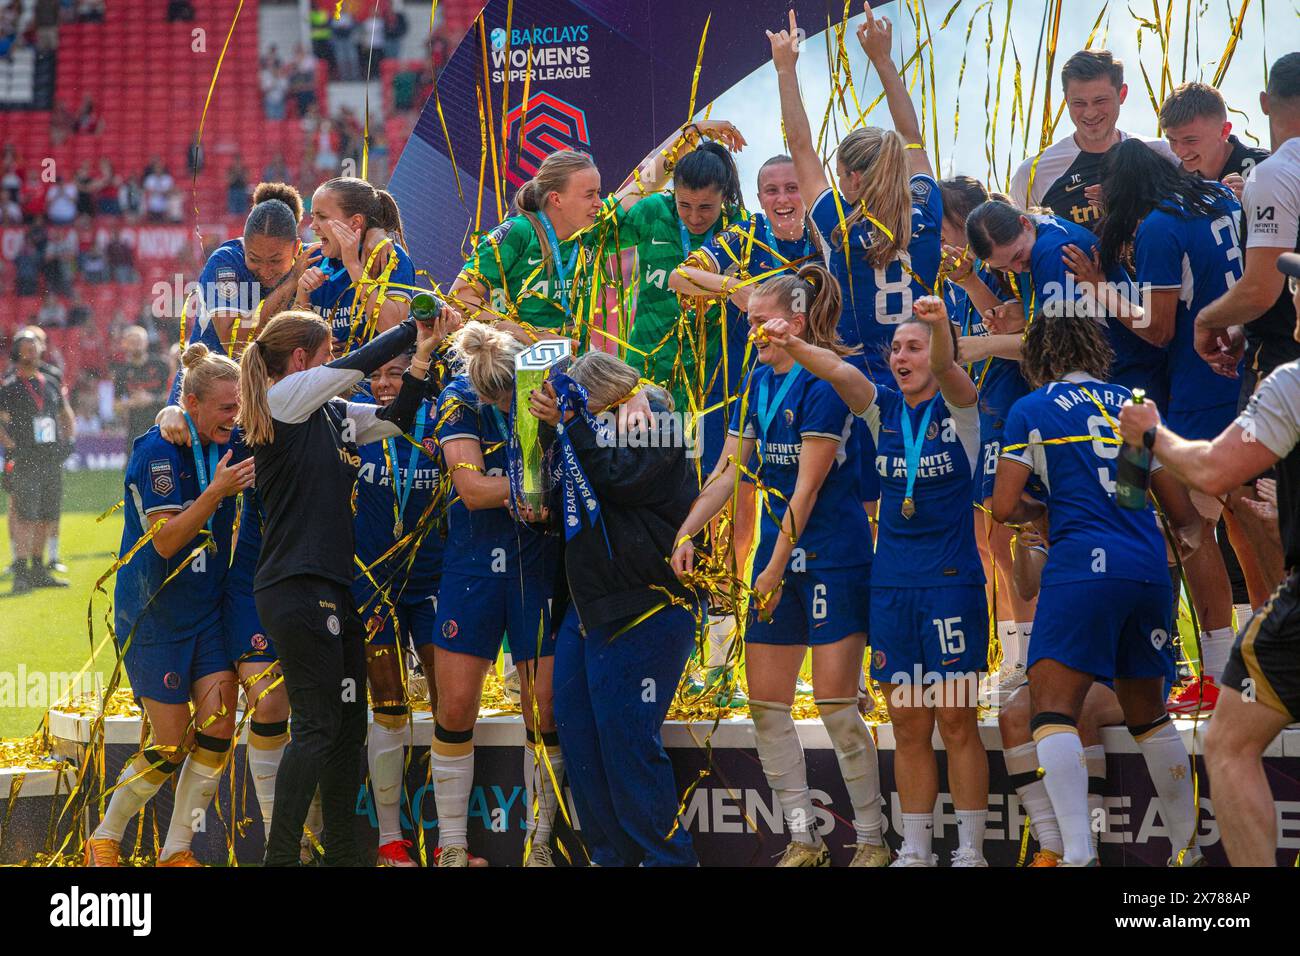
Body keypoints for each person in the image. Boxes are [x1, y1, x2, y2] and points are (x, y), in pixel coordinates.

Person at [672, 265, 887, 868]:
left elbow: (808, 490)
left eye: (760, 323)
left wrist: (769, 567)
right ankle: (803, 838)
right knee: (765, 704)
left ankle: (871, 839)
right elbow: (727, 471)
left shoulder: (822, 384)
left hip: (833, 556)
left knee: (835, 705)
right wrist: (688, 530)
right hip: (780, 558)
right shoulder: (758, 383)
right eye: (748, 323)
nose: (752, 334)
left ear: (794, 323)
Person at [767, 292, 990, 866]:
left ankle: (969, 851)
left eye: (912, 346)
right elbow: (840, 369)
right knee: (909, 723)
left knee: (957, 721)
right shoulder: (881, 409)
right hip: (890, 590)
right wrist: (792, 343)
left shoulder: (960, 409)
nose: (901, 356)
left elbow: (948, 370)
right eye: (895, 348)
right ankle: (914, 850)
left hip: (949, 587)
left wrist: (939, 329)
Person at [237, 306, 452, 867]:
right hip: (295, 584)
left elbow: (398, 417)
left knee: (348, 724)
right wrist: (410, 326)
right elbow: (359, 364)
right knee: (316, 725)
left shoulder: (330, 412)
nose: (337, 361)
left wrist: (423, 354)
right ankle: (280, 857)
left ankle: (344, 855)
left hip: (332, 585)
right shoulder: (285, 398)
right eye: (328, 352)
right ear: (303, 359)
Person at [993, 301, 1204, 867]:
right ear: (1095, 347)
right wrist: (1183, 533)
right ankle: (1188, 853)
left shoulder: (1031, 408)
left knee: (1052, 713)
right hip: (1146, 568)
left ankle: (1078, 856)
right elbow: (1158, 500)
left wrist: (1042, 515)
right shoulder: (1132, 404)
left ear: (1040, 355)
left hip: (1083, 568)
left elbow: (1003, 504)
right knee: (1150, 716)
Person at [1117, 251, 1300, 866]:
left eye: (1298, 287)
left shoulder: (1292, 381)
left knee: (1227, 744)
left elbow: (1212, 469)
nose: (1291, 297)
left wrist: (1151, 433)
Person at [1077, 137, 1248, 711]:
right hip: (1176, 395)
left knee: (1195, 530)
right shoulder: (1212, 197)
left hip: (1184, 395)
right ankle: (1165, 660)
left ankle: (1222, 670)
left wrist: (1101, 289)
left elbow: (1156, 327)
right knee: (1160, 524)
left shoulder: (1157, 225)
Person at [83, 345, 255, 866]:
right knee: (170, 742)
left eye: (240, 405)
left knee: (220, 727)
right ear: (193, 404)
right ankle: (105, 836)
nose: (236, 417)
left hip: (207, 608)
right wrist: (218, 491)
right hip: (154, 612)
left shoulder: (228, 434)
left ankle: (175, 850)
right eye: (226, 407)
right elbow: (164, 541)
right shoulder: (158, 449)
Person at [527, 351, 700, 866]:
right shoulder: (584, 433)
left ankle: (668, 860)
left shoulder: (665, 426)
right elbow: (584, 507)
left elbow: (619, 478)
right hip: (588, 609)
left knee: (627, 744)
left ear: (607, 398)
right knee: (581, 741)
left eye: (584, 406)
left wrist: (575, 427)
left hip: (645, 605)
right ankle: (610, 856)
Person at [768, 6, 943, 508]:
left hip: (864, 384)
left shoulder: (840, 226)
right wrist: (884, 61)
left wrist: (785, 69)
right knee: (935, 500)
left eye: (842, 173)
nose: (837, 181)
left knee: (872, 509)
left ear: (854, 180)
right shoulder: (925, 213)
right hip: (927, 373)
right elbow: (913, 137)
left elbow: (800, 145)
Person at [668, 153, 818, 703]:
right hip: (739, 393)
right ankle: (720, 654)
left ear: (809, 190)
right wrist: (741, 293)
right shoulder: (745, 236)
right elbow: (681, 276)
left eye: (792, 187)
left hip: (817, 395)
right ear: (757, 198)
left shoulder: (829, 231)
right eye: (771, 189)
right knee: (736, 525)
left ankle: (841, 664)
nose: (782, 199)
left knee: (820, 514)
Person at [429, 322, 561, 867]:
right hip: (474, 566)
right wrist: (535, 487)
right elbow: (472, 488)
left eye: (510, 394)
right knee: (456, 706)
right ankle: (454, 846)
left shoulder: (547, 387)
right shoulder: (456, 397)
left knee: (543, 709)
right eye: (497, 397)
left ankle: (540, 844)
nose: (507, 403)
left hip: (537, 563)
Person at [449, 120, 744, 340]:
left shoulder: (591, 232)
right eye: (589, 195)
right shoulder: (518, 233)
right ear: (557, 199)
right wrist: (529, 337)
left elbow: (643, 185)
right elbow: (460, 300)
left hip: (570, 371)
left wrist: (691, 133)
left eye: (599, 193)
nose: (598, 202)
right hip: (510, 373)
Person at [940, 176, 1035, 699]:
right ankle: (1011, 654)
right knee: (983, 542)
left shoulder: (1008, 269)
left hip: (1008, 410)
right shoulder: (947, 274)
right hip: (970, 416)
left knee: (1006, 537)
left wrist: (979, 340)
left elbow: (1032, 343)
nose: (945, 243)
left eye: (949, 230)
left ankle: (1026, 660)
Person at [352, 348, 443, 867]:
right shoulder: (355, 418)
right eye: (378, 375)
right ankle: (391, 838)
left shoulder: (445, 418)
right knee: (387, 700)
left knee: (448, 700)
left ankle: (450, 835)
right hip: (372, 582)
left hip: (431, 579)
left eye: (396, 373)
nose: (385, 384)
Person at [996, 522, 1125, 867]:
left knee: (1074, 708)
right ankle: (1052, 848)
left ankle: (1088, 851)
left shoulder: (1119, 511)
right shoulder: (1051, 507)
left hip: (1121, 665)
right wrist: (1023, 544)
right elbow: (1026, 588)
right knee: (1011, 715)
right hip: (1063, 656)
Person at [965, 198, 1167, 407]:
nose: (1017, 269)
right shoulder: (1041, 231)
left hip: (1127, 377)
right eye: (1004, 268)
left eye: (1018, 256)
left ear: (1024, 223)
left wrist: (984, 345)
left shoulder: (1053, 250)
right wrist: (1022, 318)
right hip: (1122, 373)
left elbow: (1058, 346)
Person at [621, 137, 746, 414]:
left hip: (710, 376)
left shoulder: (738, 225)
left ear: (724, 197)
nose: (694, 217)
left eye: (705, 207)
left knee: (699, 455)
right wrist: (691, 132)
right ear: (673, 193)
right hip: (647, 367)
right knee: (644, 452)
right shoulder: (654, 211)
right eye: (684, 205)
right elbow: (606, 223)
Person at [1009, 49, 1175, 229]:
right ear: (1066, 100)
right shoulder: (1032, 174)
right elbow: (1015, 247)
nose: (1090, 113)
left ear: (1122, 94)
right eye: (1079, 103)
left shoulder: (1163, 153)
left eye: (1100, 101)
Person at [183, 183, 313, 358]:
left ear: (296, 248)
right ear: (244, 245)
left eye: (275, 260)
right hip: (209, 381)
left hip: (261, 381)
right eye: (254, 259)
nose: (266, 271)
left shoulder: (309, 260)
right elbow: (235, 344)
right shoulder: (225, 261)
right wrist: (291, 282)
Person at [295, 176, 417, 353]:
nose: (313, 226)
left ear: (355, 222)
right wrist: (302, 293)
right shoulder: (312, 258)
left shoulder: (387, 255)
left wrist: (353, 266)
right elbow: (295, 345)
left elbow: (394, 328)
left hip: (375, 379)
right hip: (328, 379)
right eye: (313, 216)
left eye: (321, 217)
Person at [0, 331, 74, 593]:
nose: (31, 351)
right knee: (24, 515)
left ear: (42, 349)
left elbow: (65, 412)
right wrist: (10, 445)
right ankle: (21, 570)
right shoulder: (9, 385)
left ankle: (38, 568)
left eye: (35, 346)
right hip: (25, 459)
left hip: (51, 458)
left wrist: (70, 438)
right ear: (17, 352)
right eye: (26, 347)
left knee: (46, 514)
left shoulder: (51, 380)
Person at [1160, 82, 1271, 196]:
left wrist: (1255, 203)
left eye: (1191, 140)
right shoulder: (1175, 179)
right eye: (1172, 140)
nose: (1179, 151)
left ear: (1224, 131)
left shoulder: (1267, 168)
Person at [113, 325, 170, 441]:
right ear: (124, 344)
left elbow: (174, 394)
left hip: (162, 427)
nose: (136, 345)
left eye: (139, 341)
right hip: (135, 431)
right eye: (132, 342)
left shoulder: (161, 365)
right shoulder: (122, 371)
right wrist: (131, 403)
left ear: (146, 342)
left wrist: (151, 399)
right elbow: (115, 406)